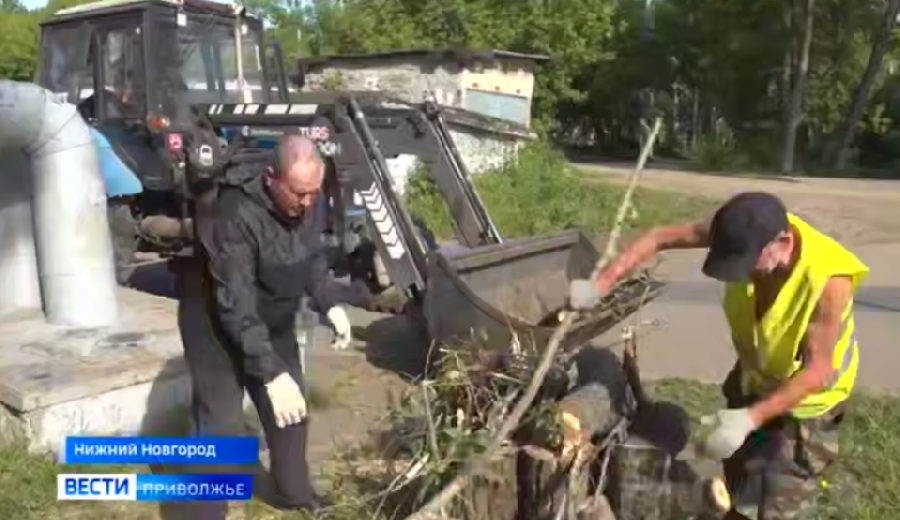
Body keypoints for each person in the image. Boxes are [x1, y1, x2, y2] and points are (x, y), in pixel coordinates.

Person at [568, 192, 868, 520]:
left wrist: (750, 419)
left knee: (774, 501)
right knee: (737, 479)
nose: (741, 274)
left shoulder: (829, 280)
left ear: (783, 243)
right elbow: (657, 237)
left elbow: (818, 370)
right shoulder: (737, 230)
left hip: (804, 405)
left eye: (746, 263)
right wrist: (601, 284)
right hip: (756, 375)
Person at [177, 133, 368, 519]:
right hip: (215, 324)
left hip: (273, 318)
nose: (308, 202)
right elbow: (236, 301)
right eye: (299, 194)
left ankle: (292, 493)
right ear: (271, 178)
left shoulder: (310, 198)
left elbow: (312, 255)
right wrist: (269, 373)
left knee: (292, 411)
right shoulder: (235, 212)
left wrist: (328, 302)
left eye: (314, 192)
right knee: (221, 427)